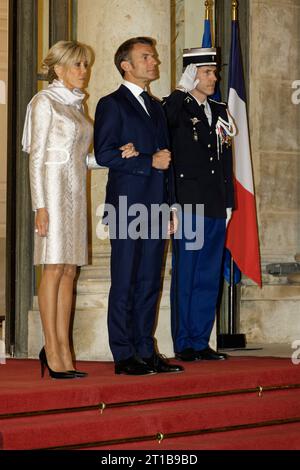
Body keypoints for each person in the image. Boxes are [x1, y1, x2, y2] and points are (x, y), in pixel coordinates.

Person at [94, 37, 183, 375]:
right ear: (125, 65)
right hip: (127, 207)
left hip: (157, 206)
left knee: (150, 280)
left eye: (154, 56)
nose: (154, 61)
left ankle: (146, 349)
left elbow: (168, 161)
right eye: (146, 57)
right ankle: (123, 354)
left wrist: (172, 208)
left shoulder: (157, 106)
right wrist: (146, 161)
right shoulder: (110, 104)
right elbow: (105, 154)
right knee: (125, 280)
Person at [22, 40, 97, 379]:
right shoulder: (44, 102)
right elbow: (36, 156)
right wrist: (39, 205)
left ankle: (64, 348)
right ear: (59, 68)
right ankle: (51, 348)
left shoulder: (77, 105)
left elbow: (80, 158)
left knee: (70, 270)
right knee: (52, 268)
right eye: (78, 65)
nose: (84, 71)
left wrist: (117, 156)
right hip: (51, 192)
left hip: (76, 190)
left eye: (85, 65)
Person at [163, 47, 236, 362]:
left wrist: (229, 201)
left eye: (214, 72)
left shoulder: (219, 110)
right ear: (192, 73)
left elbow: (225, 158)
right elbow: (163, 125)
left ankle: (200, 339)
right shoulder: (177, 106)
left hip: (215, 203)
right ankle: (183, 342)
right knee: (188, 274)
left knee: (208, 274)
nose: (213, 77)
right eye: (207, 72)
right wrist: (180, 90)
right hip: (189, 203)